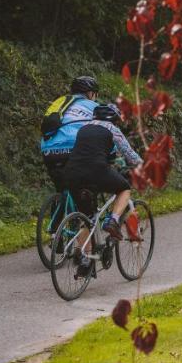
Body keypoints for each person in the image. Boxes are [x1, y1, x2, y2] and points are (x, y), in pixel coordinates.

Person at [61, 103, 142, 276]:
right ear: (113, 118)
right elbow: (129, 154)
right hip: (96, 170)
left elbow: (87, 151)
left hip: (72, 172)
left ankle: (84, 260)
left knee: (87, 217)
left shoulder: (84, 128)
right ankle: (112, 220)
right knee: (124, 188)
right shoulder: (112, 129)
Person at [40, 76, 101, 190]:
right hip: (75, 149)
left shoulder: (60, 102)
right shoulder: (94, 106)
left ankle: (59, 203)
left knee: (62, 189)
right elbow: (106, 131)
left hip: (48, 150)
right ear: (90, 93)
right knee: (88, 187)